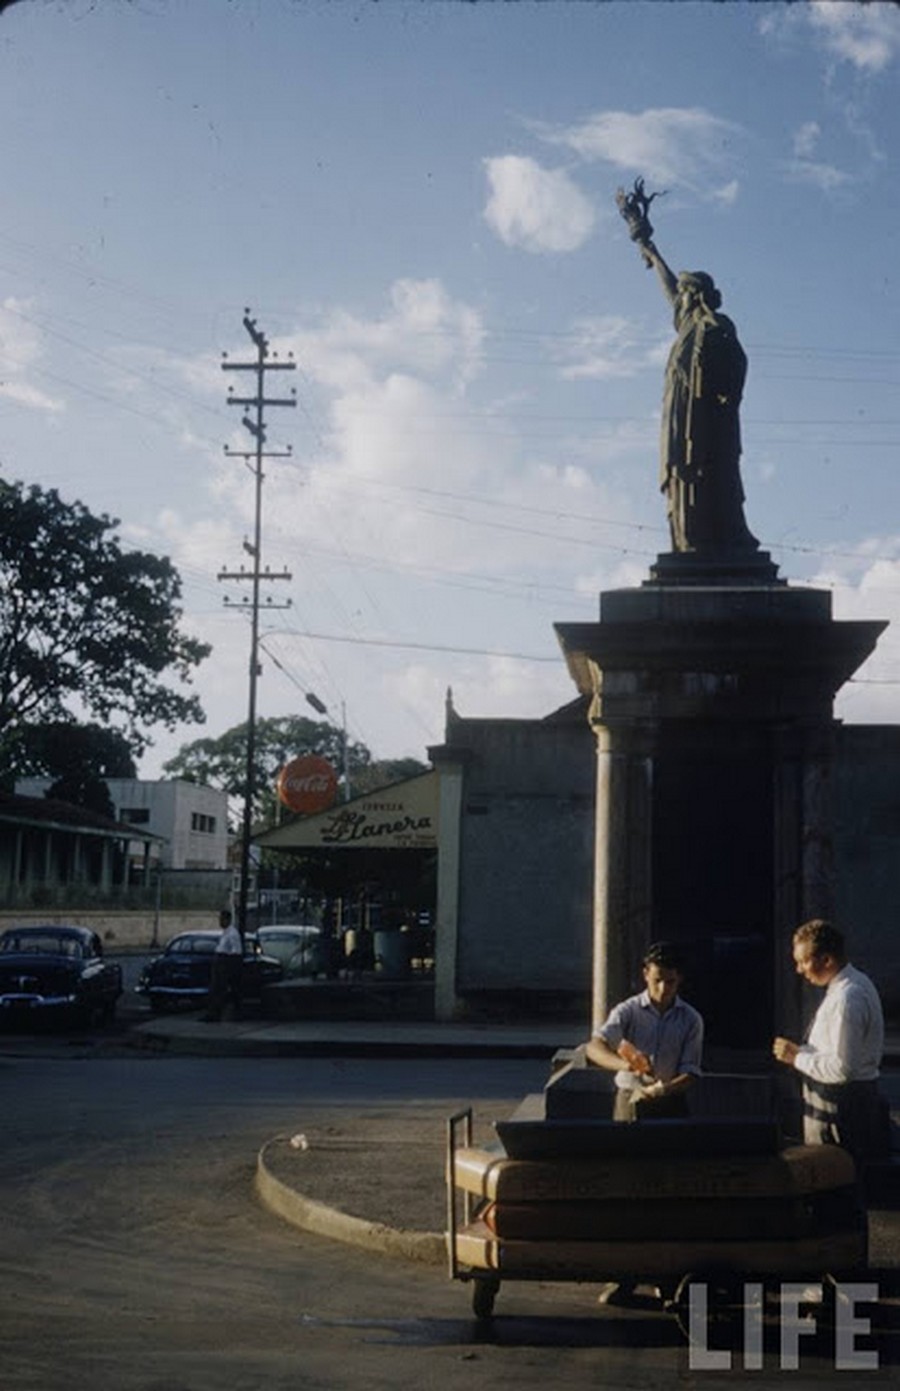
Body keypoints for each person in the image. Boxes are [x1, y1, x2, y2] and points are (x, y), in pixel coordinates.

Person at [616, 178, 758, 555]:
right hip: (681, 422)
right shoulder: (687, 327)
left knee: (711, 477)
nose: (678, 296)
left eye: (684, 291)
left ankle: (713, 541)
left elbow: (738, 366)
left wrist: (727, 398)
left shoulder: (715, 326)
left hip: (709, 422)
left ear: (694, 294)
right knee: (683, 476)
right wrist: (646, 245)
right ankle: (687, 541)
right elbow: (666, 286)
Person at [773, 919, 889, 1167]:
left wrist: (796, 1058)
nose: (799, 970)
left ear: (827, 960)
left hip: (841, 1107)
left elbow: (842, 1068)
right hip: (850, 1101)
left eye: (804, 961)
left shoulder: (848, 999)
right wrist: (801, 1052)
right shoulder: (855, 985)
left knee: (833, 1182)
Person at [586, 940, 704, 1121]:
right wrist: (626, 1065)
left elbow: (691, 1071)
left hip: (670, 1099)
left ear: (679, 979)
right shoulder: (628, 1011)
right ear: (646, 975)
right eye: (657, 981)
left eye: (670, 982)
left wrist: (663, 1089)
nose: (663, 988)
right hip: (630, 1095)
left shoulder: (690, 1019)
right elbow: (594, 1048)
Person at [203, 908, 243, 1023]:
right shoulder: (225, 933)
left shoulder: (233, 934)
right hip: (219, 964)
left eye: (222, 919)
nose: (220, 922)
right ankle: (212, 1013)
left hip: (224, 965)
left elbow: (236, 953)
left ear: (228, 920)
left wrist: (227, 968)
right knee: (214, 990)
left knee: (219, 991)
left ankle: (217, 1014)